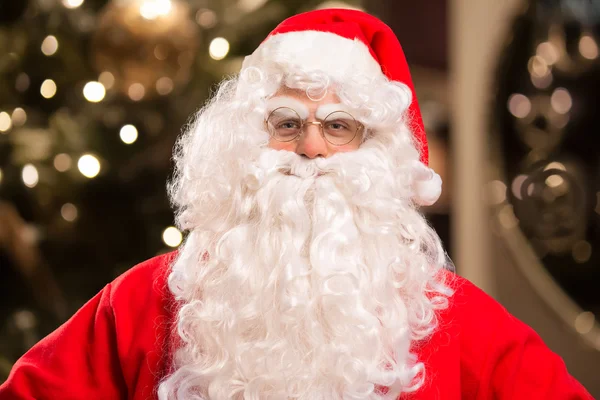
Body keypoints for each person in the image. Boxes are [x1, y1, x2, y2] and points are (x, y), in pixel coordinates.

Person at [0, 8, 593, 400]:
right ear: (243, 142)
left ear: (379, 154)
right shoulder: (147, 301)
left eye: (339, 127)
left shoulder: (456, 320)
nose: (309, 149)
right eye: (286, 123)